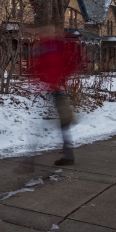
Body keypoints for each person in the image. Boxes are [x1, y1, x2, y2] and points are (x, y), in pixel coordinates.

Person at [32, 30, 81, 166]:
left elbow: (53, 68)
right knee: (63, 124)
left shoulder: (54, 49)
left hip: (57, 90)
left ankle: (68, 156)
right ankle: (68, 154)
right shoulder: (56, 49)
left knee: (63, 124)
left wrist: (52, 82)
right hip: (56, 89)